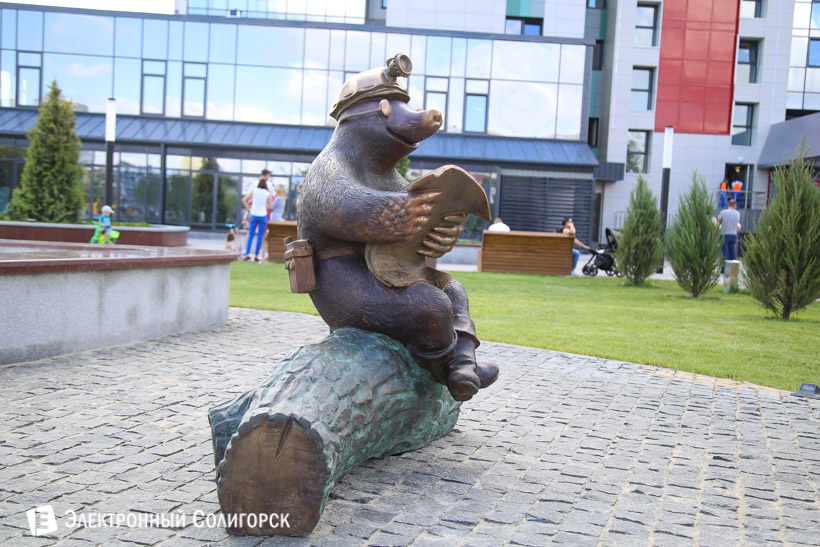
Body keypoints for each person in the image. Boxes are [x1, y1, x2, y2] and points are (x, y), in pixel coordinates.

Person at [242, 178, 272, 261]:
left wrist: (249, 209)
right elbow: (270, 206)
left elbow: (244, 200)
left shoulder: (254, 191)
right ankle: (256, 255)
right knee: (260, 235)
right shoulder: (267, 193)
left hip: (254, 214)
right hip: (263, 215)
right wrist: (264, 206)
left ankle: (247, 253)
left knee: (251, 233)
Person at [716, 199, 741, 269]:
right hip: (733, 234)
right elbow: (737, 224)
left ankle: (723, 268)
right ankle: (734, 269)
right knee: (732, 252)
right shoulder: (738, 213)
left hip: (725, 234)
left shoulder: (723, 212)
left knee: (724, 253)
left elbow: (717, 222)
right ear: (735, 205)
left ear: (728, 205)